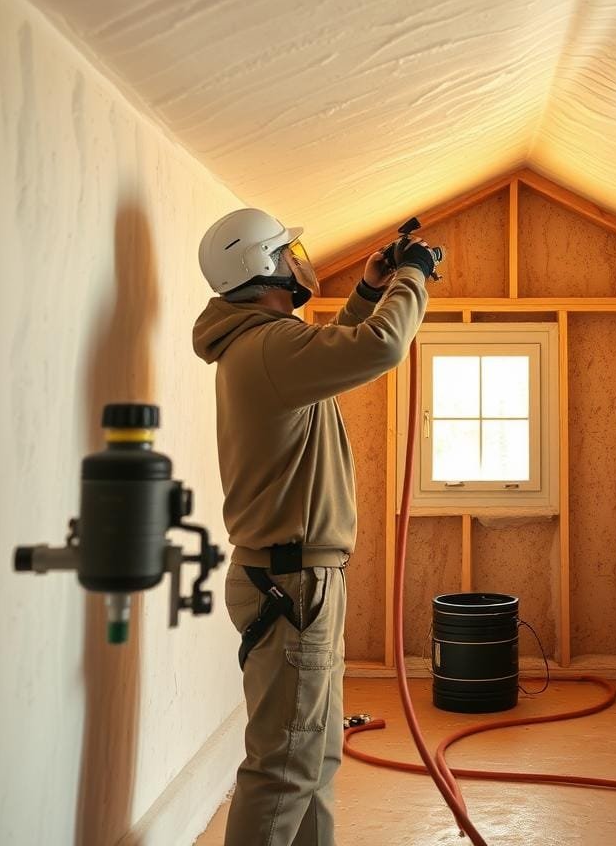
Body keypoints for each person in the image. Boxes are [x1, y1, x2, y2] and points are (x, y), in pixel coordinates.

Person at [192, 207, 433, 845]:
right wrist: (414, 277)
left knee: (314, 758)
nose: (299, 261)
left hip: (297, 580)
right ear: (262, 266)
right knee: (283, 769)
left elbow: (335, 353)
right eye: (286, 252)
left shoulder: (266, 346)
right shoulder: (269, 347)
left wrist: (368, 292)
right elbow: (382, 346)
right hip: (291, 585)